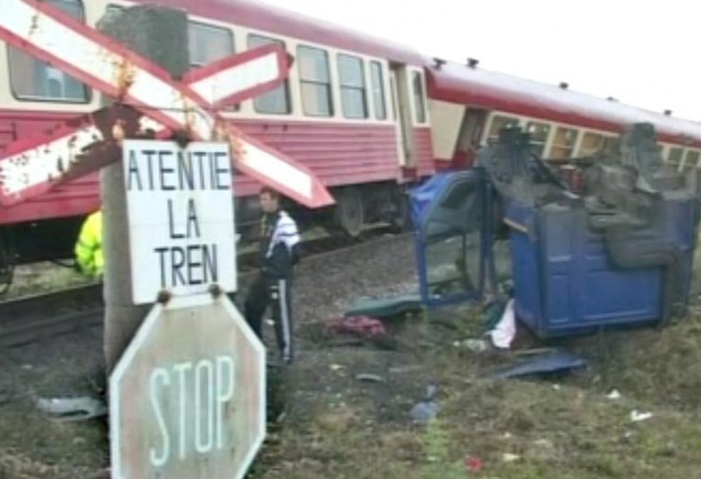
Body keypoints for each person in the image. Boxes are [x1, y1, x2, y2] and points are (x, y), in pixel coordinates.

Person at [245, 187, 301, 365]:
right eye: (261, 199)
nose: (263, 203)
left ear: (275, 200)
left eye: (266, 199)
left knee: (281, 315)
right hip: (264, 273)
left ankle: (286, 355)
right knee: (251, 305)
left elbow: (296, 250)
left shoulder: (285, 222)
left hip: (278, 276)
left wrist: (283, 267)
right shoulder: (265, 220)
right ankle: (257, 344)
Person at [74, 210, 104, 280]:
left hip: (105, 271)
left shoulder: (94, 220)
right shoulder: (132, 216)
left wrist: (88, 270)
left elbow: (83, 253)